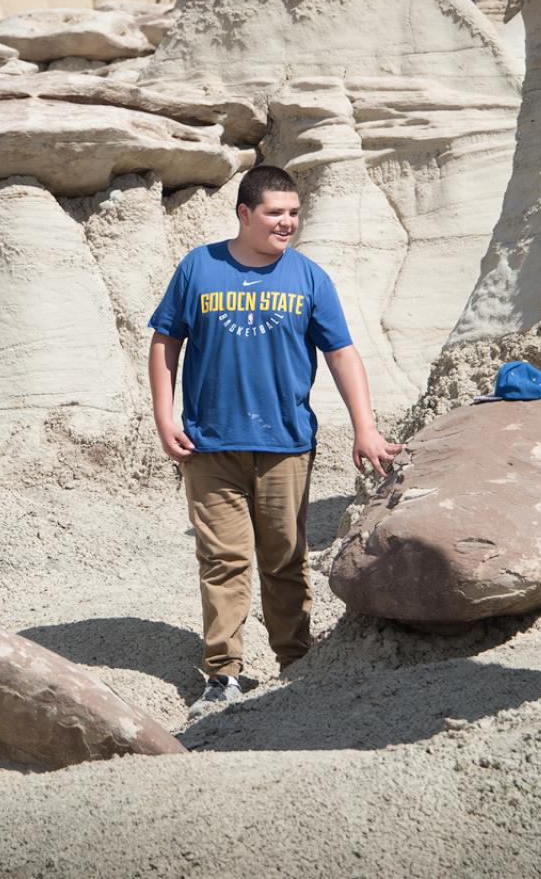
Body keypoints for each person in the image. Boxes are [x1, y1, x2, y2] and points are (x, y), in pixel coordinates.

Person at [146, 164, 402, 707]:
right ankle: (223, 673)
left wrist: (366, 427)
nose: (287, 223)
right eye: (275, 213)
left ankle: (296, 662)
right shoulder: (199, 268)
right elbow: (165, 342)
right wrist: (164, 418)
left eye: (293, 213)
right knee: (223, 560)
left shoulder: (308, 277)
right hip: (209, 443)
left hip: (287, 444)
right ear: (245, 213)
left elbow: (341, 353)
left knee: (285, 559)